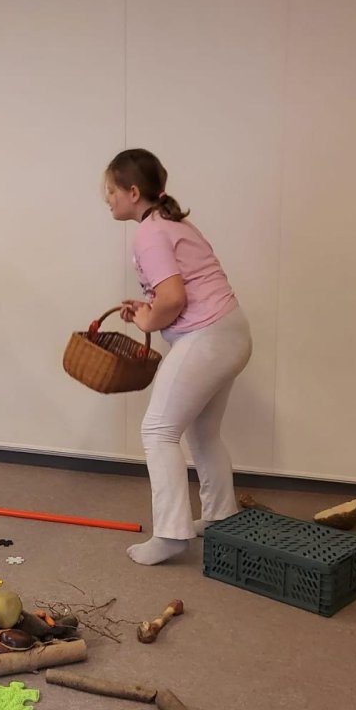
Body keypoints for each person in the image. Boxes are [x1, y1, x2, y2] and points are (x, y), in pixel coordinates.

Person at [103, 149, 252, 565]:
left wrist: (150, 319)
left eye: (111, 190)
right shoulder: (172, 223)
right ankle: (221, 515)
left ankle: (170, 535)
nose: (107, 199)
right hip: (230, 331)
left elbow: (174, 298)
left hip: (208, 336)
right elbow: (174, 294)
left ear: (134, 192)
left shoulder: (149, 233)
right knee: (203, 432)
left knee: (157, 431)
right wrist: (149, 310)